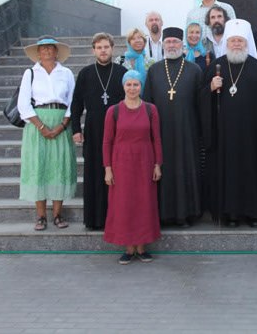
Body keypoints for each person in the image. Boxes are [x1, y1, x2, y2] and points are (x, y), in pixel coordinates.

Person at [203, 19, 257, 227]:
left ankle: (254, 214)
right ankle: (230, 213)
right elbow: (201, 99)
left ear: (247, 42)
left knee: (252, 171)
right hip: (224, 135)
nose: (237, 45)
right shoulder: (216, 66)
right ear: (227, 43)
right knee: (228, 173)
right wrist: (210, 89)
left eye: (240, 41)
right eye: (233, 41)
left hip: (252, 134)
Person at [143, 27, 203, 226]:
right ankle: (162, 214)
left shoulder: (194, 70)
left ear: (181, 44)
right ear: (164, 45)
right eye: (168, 42)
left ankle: (186, 214)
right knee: (163, 170)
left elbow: (200, 103)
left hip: (187, 131)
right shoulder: (154, 70)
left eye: (175, 42)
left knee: (185, 170)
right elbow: (148, 103)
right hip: (161, 132)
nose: (171, 45)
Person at [17, 36, 77, 231]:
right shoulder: (30, 73)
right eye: (43, 49)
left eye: (51, 48)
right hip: (37, 124)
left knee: (58, 166)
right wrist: (41, 127)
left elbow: (72, 101)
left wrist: (62, 125)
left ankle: (58, 215)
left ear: (56, 51)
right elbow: (23, 104)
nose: (47, 52)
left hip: (61, 121)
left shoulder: (66, 73)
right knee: (38, 165)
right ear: (38, 53)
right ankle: (41, 216)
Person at [103, 70, 163, 265]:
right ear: (123, 86)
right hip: (121, 163)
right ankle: (128, 248)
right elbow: (107, 142)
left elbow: (157, 139)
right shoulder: (114, 111)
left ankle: (142, 247)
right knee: (124, 204)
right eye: (128, 84)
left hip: (145, 162)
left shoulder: (150, 109)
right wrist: (108, 168)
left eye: (136, 84)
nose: (132, 88)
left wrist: (157, 164)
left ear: (141, 86)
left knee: (144, 203)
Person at [71, 33, 127, 230]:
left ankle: (117, 218)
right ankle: (95, 219)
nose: (103, 50)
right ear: (93, 50)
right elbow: (76, 103)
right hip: (94, 130)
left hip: (119, 130)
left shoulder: (121, 72)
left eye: (106, 46)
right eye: (99, 47)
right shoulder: (85, 73)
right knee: (95, 174)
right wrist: (76, 129)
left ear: (112, 48)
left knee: (117, 175)